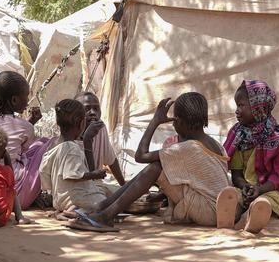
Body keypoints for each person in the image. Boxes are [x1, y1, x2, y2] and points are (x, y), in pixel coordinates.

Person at [65, 92, 230, 232]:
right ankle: (100, 209)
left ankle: (104, 216)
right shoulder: (215, 144)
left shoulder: (189, 148)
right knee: (161, 165)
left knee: (156, 166)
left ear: (179, 122)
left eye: (174, 121)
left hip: (210, 211)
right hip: (218, 208)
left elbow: (140, 156)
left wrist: (155, 121)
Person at [216, 80, 279, 234]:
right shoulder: (238, 135)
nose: (237, 111)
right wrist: (244, 186)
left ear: (258, 106)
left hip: (270, 190)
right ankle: (231, 218)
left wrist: (259, 190)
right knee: (233, 195)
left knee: (267, 201)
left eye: (241, 105)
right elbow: (236, 172)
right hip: (245, 188)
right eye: (236, 106)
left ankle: (253, 216)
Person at [0, 71, 52, 212]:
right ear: (14, 100)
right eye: (26, 96)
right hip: (15, 195)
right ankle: (44, 193)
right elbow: (24, 149)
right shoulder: (25, 127)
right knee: (46, 144)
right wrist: (31, 123)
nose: (28, 101)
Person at [38, 99, 113, 220]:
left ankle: (67, 211)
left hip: (59, 200)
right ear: (80, 122)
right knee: (107, 203)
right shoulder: (72, 148)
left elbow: (43, 172)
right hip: (76, 198)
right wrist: (93, 174)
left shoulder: (53, 148)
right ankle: (77, 212)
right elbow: (72, 174)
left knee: (101, 194)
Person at [74, 92, 126, 185]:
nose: (93, 113)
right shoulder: (69, 137)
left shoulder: (100, 128)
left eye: (96, 108)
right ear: (76, 114)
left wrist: (123, 184)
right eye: (87, 109)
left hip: (95, 186)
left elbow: (111, 160)